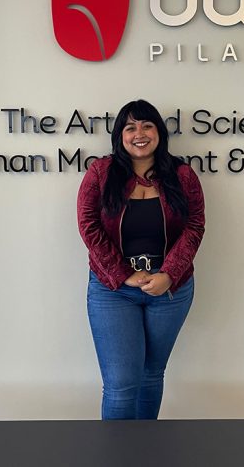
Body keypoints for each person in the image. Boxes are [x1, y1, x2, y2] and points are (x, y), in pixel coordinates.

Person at [77, 99, 205, 420]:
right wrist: (123, 274)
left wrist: (169, 274)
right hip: (113, 290)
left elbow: (194, 225)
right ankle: (118, 448)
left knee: (150, 375)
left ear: (159, 132)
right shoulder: (101, 173)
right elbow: (88, 224)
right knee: (121, 385)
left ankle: (146, 446)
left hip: (170, 290)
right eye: (130, 127)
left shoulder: (182, 175)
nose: (139, 134)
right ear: (120, 135)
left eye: (147, 125)